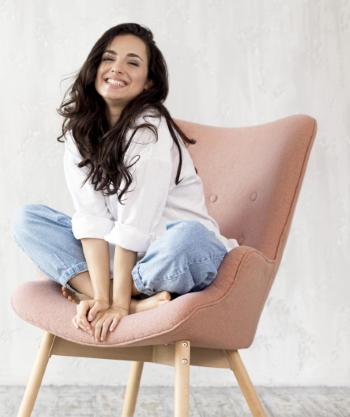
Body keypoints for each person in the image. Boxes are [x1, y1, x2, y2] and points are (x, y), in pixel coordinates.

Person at [12, 23, 238, 343]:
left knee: (190, 238)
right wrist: (106, 302)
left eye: (132, 62)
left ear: (148, 83)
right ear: (94, 68)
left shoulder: (150, 130)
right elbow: (92, 221)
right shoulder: (81, 132)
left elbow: (136, 223)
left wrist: (116, 302)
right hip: (121, 262)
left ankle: (104, 293)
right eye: (109, 58)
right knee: (29, 220)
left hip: (174, 256)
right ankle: (132, 303)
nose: (117, 67)